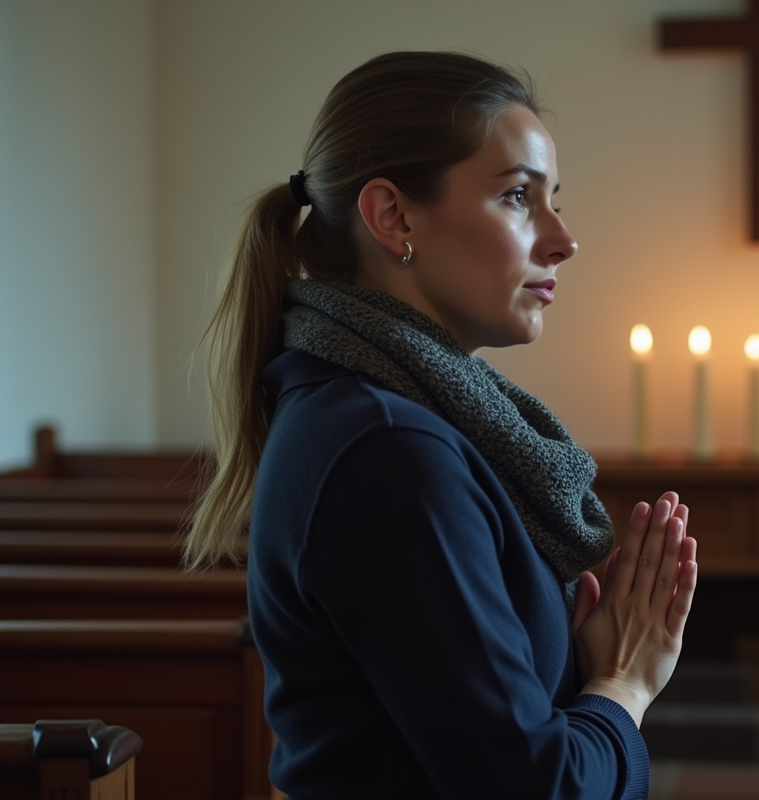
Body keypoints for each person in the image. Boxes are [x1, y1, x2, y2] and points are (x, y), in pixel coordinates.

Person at [184, 51, 699, 800]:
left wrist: (572, 674)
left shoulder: (375, 415)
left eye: (555, 198)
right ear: (394, 217)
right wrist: (622, 688)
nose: (562, 238)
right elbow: (534, 787)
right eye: (519, 197)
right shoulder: (388, 451)